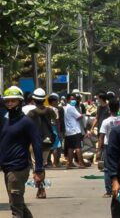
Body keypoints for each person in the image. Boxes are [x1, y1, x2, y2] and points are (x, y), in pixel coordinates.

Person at [0, 86, 45, 217]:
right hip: (7, 168)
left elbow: (37, 146)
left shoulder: (26, 122)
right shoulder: (5, 121)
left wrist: (39, 170)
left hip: (18, 168)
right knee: (17, 203)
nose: (9, 103)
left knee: (16, 209)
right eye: (7, 101)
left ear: (20, 102)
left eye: (13, 101)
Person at [27, 88, 57, 199]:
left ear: (34, 99)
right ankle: (41, 189)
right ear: (44, 99)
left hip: (35, 142)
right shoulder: (50, 110)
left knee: (37, 167)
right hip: (48, 142)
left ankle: (41, 190)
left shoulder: (31, 113)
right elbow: (55, 122)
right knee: (42, 166)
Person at [97, 99, 120, 198]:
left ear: (109, 109)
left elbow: (101, 136)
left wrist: (99, 150)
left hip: (108, 146)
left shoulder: (106, 121)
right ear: (119, 107)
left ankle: (109, 191)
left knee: (107, 168)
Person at [64, 94, 86, 169]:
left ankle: (69, 163)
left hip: (68, 131)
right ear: (67, 100)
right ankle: (80, 162)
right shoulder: (71, 108)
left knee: (70, 148)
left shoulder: (65, 108)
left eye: (74, 99)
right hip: (75, 130)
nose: (73, 101)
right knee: (78, 147)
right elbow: (80, 116)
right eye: (71, 99)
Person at [47, 93, 63, 168]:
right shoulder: (55, 109)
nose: (57, 102)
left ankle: (48, 162)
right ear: (52, 102)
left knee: (48, 146)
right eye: (56, 101)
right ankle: (55, 163)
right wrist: (59, 131)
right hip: (53, 128)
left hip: (47, 128)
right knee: (55, 146)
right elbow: (57, 121)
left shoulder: (46, 108)